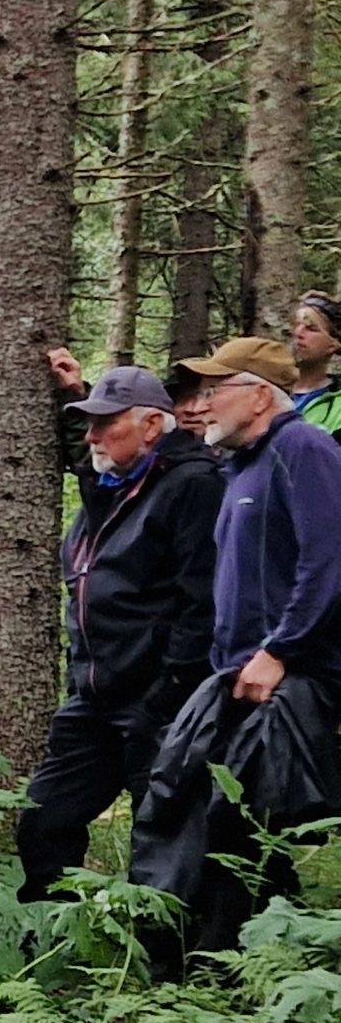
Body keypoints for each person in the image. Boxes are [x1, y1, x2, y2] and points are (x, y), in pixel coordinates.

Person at [134, 337, 341, 971]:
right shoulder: (241, 465)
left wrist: (281, 651)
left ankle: (223, 970)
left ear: (258, 394)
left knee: (237, 819)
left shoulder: (303, 448)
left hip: (288, 673)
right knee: (190, 801)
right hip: (236, 673)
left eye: (214, 389)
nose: (201, 404)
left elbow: (329, 559)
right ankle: (248, 959)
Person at [11, 366, 221, 900]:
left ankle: (168, 961)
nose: (93, 436)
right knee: (44, 816)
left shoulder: (193, 485)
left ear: (153, 425)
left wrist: (166, 695)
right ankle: (53, 934)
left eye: (106, 423)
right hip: (94, 698)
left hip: (158, 699)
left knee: (164, 836)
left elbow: (201, 604)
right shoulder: (111, 484)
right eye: (88, 423)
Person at [291, 292, 341, 431]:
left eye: (311, 329)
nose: (298, 333)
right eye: (296, 325)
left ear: (333, 345)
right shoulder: (266, 389)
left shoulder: (337, 404)